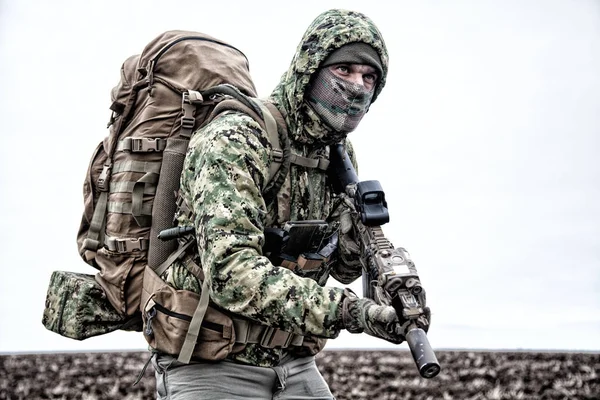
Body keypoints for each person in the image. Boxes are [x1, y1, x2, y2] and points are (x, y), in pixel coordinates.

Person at [151, 8, 429, 400]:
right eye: (345, 69)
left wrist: (360, 252)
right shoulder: (236, 138)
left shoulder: (337, 153)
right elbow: (232, 274)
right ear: (310, 69)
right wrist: (352, 313)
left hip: (294, 363)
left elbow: (340, 270)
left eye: (370, 77)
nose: (358, 86)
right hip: (211, 361)